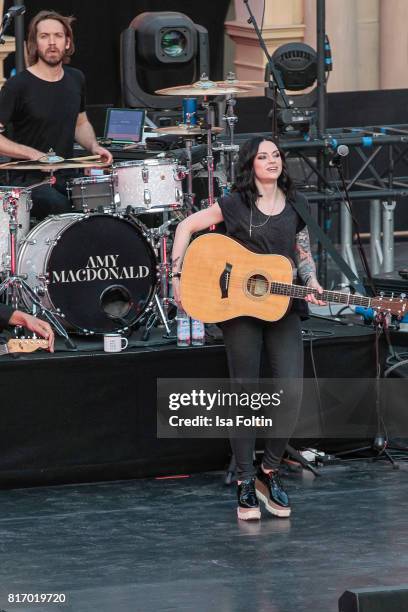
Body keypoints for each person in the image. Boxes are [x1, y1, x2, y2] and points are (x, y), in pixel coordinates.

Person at [171, 136, 325, 521]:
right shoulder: (235, 204)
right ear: (250, 164)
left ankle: (267, 473)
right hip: (238, 306)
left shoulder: (297, 205)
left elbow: (302, 254)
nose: (272, 161)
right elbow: (187, 227)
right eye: (263, 156)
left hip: (283, 305)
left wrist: (314, 283)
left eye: (276, 155)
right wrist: (176, 275)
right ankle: (243, 481)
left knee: (290, 390)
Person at [0, 10, 112, 220]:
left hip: (67, 176)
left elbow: (80, 122)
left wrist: (94, 147)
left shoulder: (76, 78)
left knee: (102, 207)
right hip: (30, 182)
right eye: (44, 36)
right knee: (61, 208)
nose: (52, 42)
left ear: (67, 42)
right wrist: (34, 154)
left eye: (58, 36)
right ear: (35, 43)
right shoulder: (17, 86)